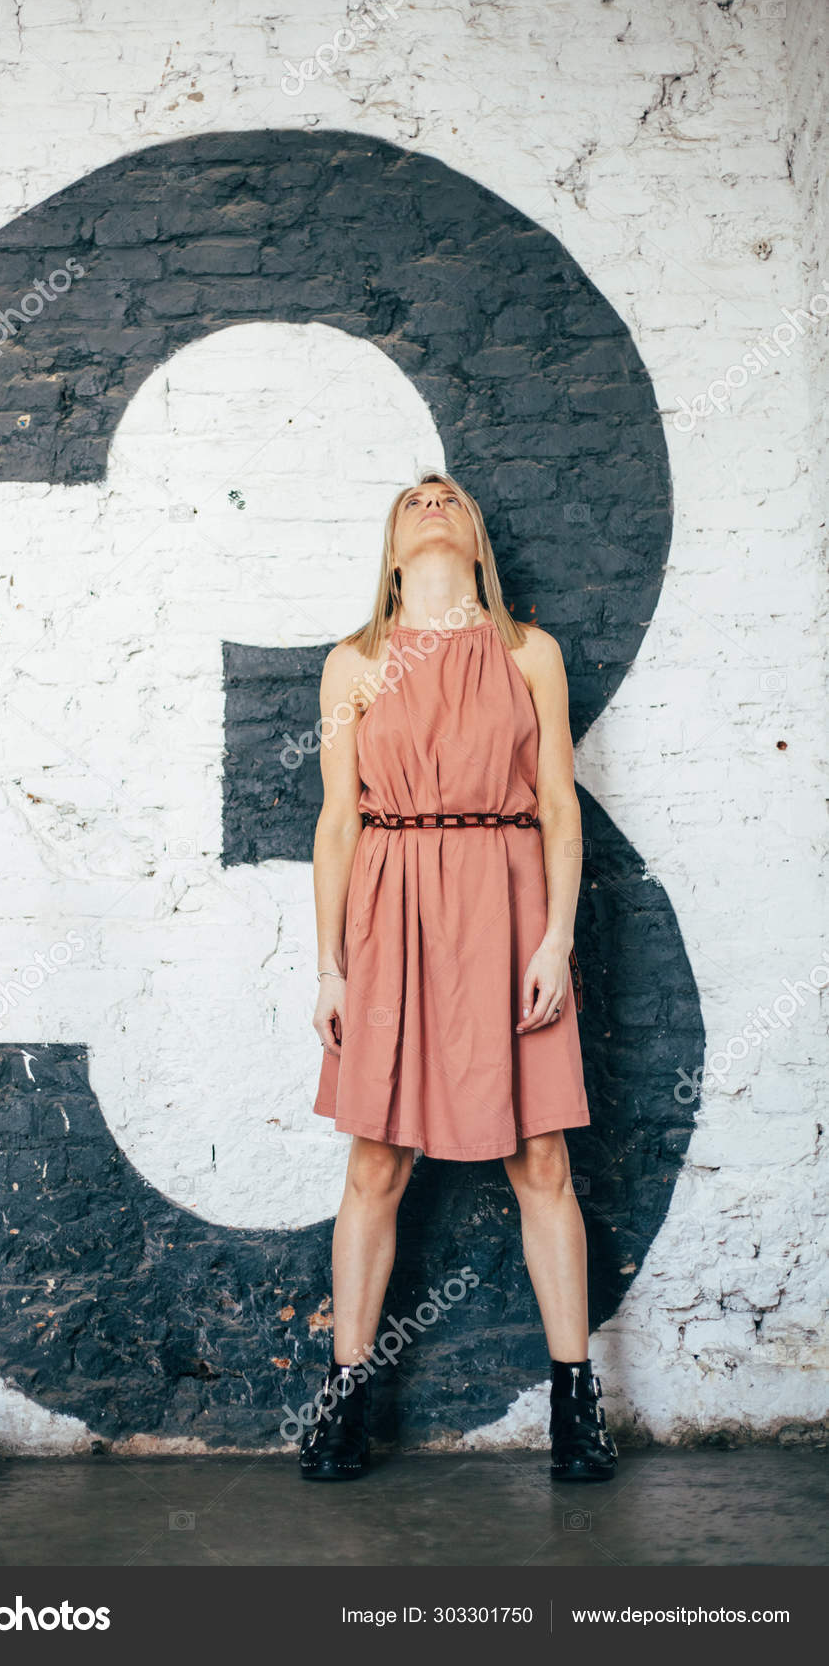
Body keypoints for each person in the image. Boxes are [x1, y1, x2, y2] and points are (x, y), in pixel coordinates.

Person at [299, 470, 618, 1484]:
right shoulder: (351, 662)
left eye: (448, 496)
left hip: (508, 896)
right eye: (411, 498)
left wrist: (554, 937)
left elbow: (561, 806)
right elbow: (336, 822)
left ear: (476, 537)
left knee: (540, 1164)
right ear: (392, 548)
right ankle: (345, 1400)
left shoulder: (530, 654)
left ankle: (576, 1406)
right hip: (391, 909)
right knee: (374, 1166)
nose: (432, 499)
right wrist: (330, 967)